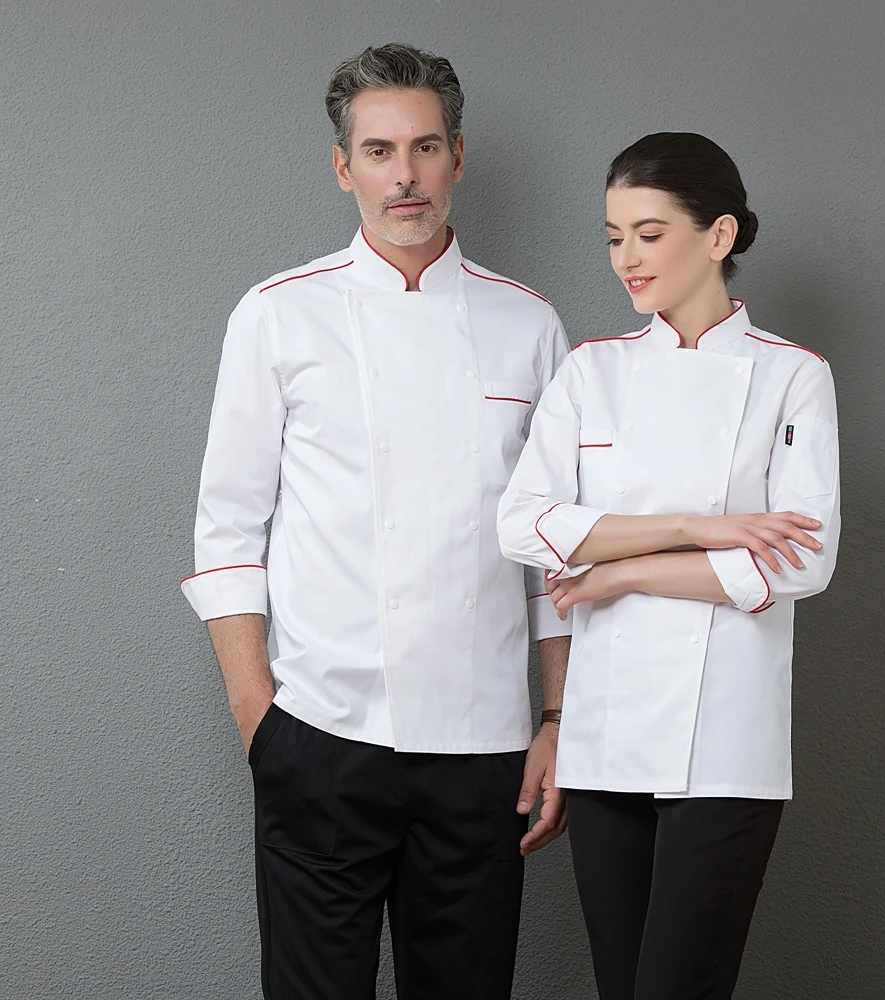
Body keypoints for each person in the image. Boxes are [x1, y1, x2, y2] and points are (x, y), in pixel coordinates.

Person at [180, 42, 573, 1000]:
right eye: (380, 150)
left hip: (483, 746)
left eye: (426, 147)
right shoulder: (279, 315)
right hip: (322, 734)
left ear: (458, 157)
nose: (405, 175)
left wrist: (559, 720)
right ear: (342, 166)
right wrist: (261, 724)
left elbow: (556, 555)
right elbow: (226, 531)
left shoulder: (530, 326)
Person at [497, 131, 841, 1000]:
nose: (627, 259)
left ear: (719, 235)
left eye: (650, 234)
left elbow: (796, 565)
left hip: (724, 741)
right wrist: (693, 527)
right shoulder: (593, 372)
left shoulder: (792, 377)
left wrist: (618, 571)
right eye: (615, 237)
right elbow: (522, 524)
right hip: (606, 737)